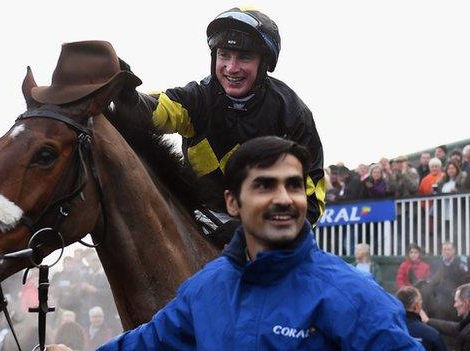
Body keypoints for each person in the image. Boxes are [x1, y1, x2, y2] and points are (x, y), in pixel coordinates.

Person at [92, 136, 420, 349]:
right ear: (232, 202)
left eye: (293, 186)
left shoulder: (353, 295)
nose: (284, 199)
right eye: (265, 186)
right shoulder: (205, 289)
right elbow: (148, 344)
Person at [113, 7, 325, 231]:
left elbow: (312, 200)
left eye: (244, 57)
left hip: (270, 225)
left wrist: (257, 231)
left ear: (265, 64)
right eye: (224, 55)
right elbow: (159, 110)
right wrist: (129, 97)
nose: (231, 68)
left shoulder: (293, 114)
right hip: (204, 217)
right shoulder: (197, 98)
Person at [395, 286, 447, 351]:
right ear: (416, 306)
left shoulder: (388, 331)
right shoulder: (432, 334)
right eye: (420, 301)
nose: (422, 302)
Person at [424, 283, 470, 350]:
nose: (454, 305)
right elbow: (456, 328)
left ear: (466, 303)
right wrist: (427, 320)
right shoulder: (467, 323)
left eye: (456, 301)